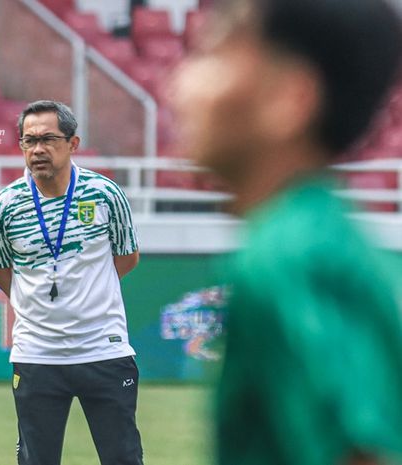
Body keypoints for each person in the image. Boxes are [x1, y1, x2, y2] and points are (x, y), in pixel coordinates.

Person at [169, 0, 402, 464]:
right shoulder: (316, 239)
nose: (179, 84)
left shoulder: (286, 257)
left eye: (215, 53)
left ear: (287, 99)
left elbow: (359, 451)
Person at [0, 100, 143, 465]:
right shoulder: (5, 205)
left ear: (73, 143)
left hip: (104, 349)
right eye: (28, 141)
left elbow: (128, 256)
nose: (37, 149)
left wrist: (87, 292)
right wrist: (33, 301)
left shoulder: (105, 194)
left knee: (123, 458)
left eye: (48, 139)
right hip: (37, 354)